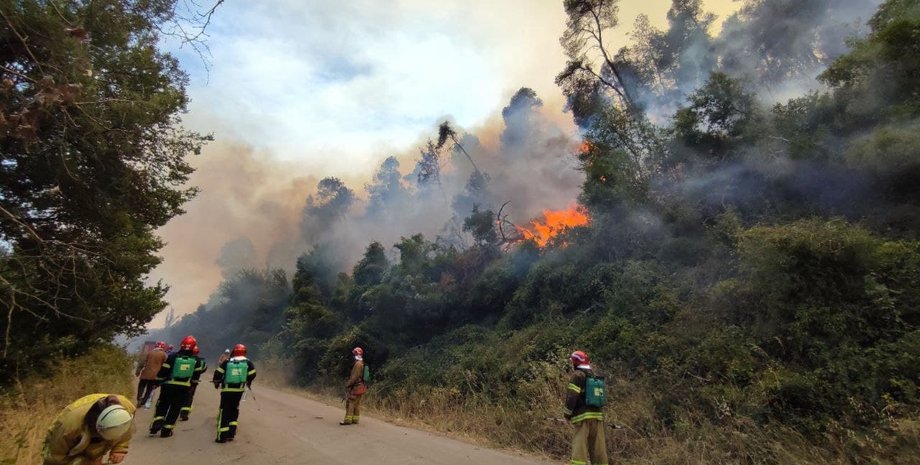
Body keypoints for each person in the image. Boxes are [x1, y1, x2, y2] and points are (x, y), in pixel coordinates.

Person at [43, 393, 135, 465]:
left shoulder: (126, 408)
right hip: (64, 445)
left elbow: (126, 428)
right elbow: (55, 458)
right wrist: (87, 462)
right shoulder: (67, 428)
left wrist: (120, 448)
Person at [149, 335, 205, 438]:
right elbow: (196, 377)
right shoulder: (196, 361)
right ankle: (166, 431)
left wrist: (157, 382)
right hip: (184, 388)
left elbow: (164, 371)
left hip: (168, 386)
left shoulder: (172, 356)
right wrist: (192, 387)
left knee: (163, 405)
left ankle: (156, 424)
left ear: (181, 345)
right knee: (175, 409)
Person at [563, 350, 608, 465]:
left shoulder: (577, 375)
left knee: (580, 450)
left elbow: (572, 397)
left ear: (575, 362)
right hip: (597, 417)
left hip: (582, 418)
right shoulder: (593, 374)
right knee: (598, 450)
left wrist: (567, 414)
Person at [212, 343, 257, 443]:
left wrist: (216, 382)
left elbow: (218, 373)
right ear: (244, 352)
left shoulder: (227, 362)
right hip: (239, 391)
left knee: (224, 411)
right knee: (234, 409)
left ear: (234, 352)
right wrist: (247, 380)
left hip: (227, 391)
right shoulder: (248, 362)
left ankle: (221, 437)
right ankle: (231, 434)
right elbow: (253, 374)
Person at [135, 341, 167, 409]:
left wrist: (138, 371)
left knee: (141, 386)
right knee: (149, 389)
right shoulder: (164, 355)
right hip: (155, 376)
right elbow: (165, 366)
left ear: (156, 346)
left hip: (145, 374)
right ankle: (143, 401)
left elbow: (142, 362)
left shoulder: (149, 353)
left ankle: (139, 398)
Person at [340, 346, 367, 426]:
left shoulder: (357, 364)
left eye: (354, 354)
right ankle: (355, 419)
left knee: (350, 402)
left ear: (356, 355)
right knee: (356, 403)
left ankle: (347, 420)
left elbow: (354, 377)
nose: (353, 356)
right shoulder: (362, 363)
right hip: (361, 386)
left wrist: (348, 384)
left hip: (356, 387)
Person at [179, 344, 207, 421]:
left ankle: (177, 409)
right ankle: (184, 413)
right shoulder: (199, 361)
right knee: (189, 397)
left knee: (180, 396)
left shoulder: (182, 358)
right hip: (192, 382)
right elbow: (203, 369)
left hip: (180, 380)